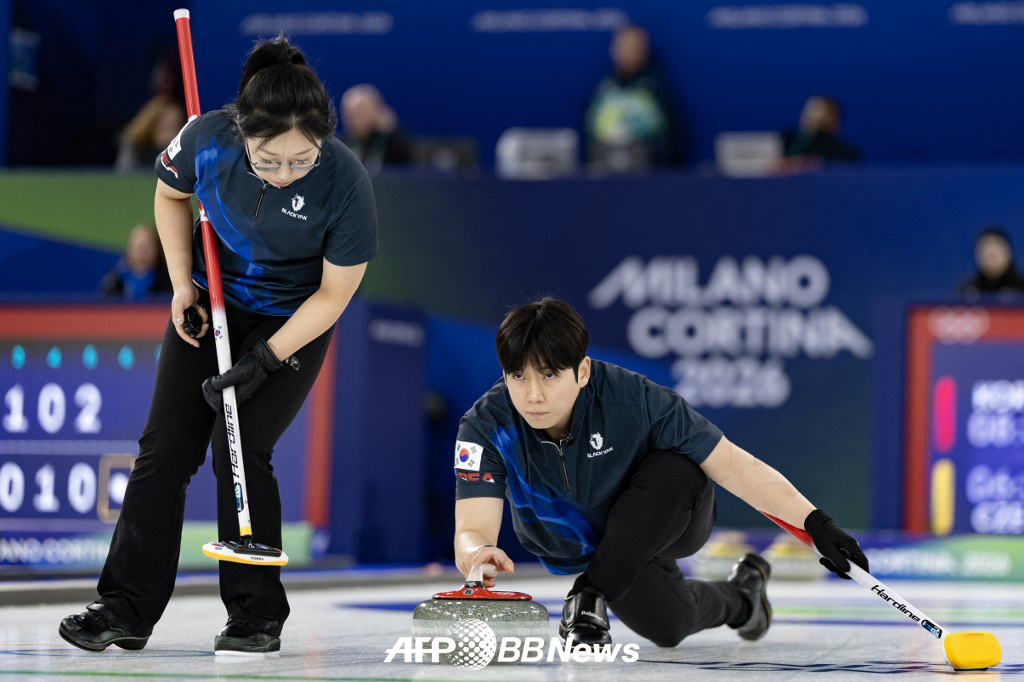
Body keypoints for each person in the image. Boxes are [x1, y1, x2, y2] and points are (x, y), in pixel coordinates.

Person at [59, 37, 377, 655]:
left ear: (323, 141)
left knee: (243, 445)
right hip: (214, 305)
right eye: (269, 160)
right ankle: (124, 607)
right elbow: (169, 196)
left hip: (295, 318)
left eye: (300, 160)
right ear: (242, 134)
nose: (285, 172)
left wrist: (264, 358)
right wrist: (182, 285)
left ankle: (256, 615)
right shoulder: (207, 139)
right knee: (164, 450)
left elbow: (334, 296)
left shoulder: (345, 181)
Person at [453, 298, 867, 648]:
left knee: (678, 467)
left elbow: (736, 467)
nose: (533, 395)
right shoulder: (485, 426)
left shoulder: (637, 401)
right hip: (595, 550)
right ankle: (744, 597)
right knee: (669, 627)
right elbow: (472, 526)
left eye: (548, 375)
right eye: (517, 376)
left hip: (671, 516)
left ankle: (589, 594)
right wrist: (475, 552)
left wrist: (817, 525)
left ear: (581, 372)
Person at [584, 24, 678, 172]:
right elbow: (589, 129)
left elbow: (671, 136)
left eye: (636, 47)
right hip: (604, 172)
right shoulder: (603, 87)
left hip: (649, 174)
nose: (631, 52)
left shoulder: (656, 88)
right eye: (626, 47)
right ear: (614, 49)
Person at [340, 84, 412, 172]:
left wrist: (390, 132)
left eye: (360, 113)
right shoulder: (342, 146)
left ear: (376, 111)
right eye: (348, 114)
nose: (353, 119)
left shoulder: (393, 142)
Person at [114, 94, 187, 173]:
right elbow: (125, 179)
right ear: (151, 126)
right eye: (168, 127)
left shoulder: (184, 152)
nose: (174, 134)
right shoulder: (135, 148)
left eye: (178, 127)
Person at [99, 223, 173, 300]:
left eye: (147, 247)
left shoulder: (167, 279)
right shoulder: (115, 279)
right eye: (138, 246)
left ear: (157, 250)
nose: (142, 252)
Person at [781, 95, 859, 165]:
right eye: (812, 112)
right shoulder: (784, 142)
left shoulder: (845, 155)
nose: (815, 117)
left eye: (823, 119)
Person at [960, 227, 1024, 298]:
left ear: (1009, 253)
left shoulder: (1021, 289)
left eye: (995, 252)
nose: (990, 253)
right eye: (984, 251)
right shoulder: (968, 292)